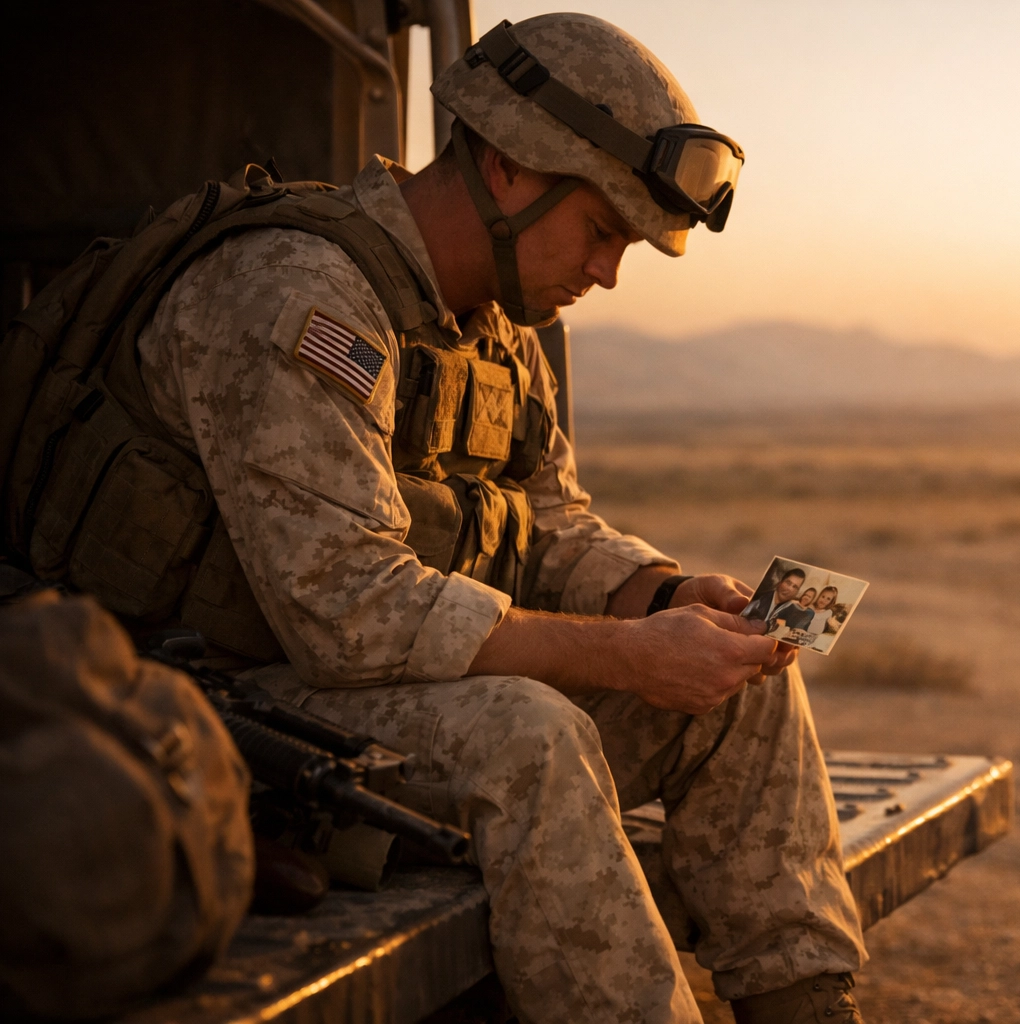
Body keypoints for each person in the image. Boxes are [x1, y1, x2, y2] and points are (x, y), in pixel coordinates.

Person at [51, 14, 867, 1024]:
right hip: (221, 700)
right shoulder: (294, 289)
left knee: (738, 692)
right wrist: (626, 654)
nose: (609, 271)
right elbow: (343, 610)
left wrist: (657, 593)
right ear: (508, 167)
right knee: (530, 732)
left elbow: (547, 518)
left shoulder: (500, 326)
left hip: (362, 681)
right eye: (604, 230)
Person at [741, 566, 806, 625]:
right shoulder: (758, 600)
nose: (789, 589)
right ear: (780, 582)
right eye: (788, 583)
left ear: (797, 592)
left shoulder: (790, 608)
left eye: (795, 587)